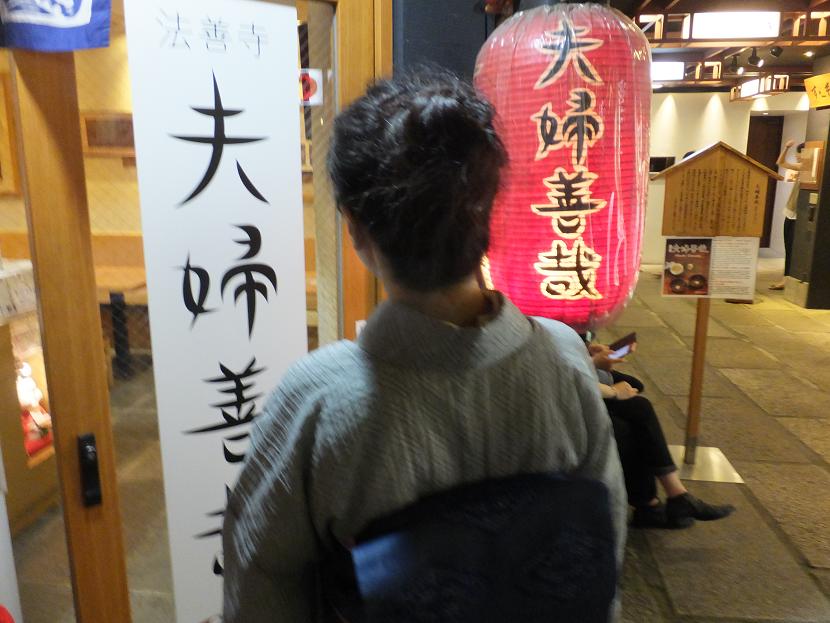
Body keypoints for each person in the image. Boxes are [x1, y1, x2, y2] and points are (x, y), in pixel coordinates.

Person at [222, 70, 627, 622]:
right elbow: (606, 540)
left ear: (356, 228)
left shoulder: (316, 398)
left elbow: (260, 579)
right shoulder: (563, 358)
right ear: (488, 212)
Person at [589, 343, 735, 529]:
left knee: (637, 400)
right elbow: (564, 374)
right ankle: (661, 502)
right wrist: (606, 380)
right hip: (569, 399)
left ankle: (666, 500)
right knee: (630, 423)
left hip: (578, 378)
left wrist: (589, 352)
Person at [770, 140, 806, 291]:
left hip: (800, 215)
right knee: (788, 247)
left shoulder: (810, 168)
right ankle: (786, 279)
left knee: (793, 249)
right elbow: (781, 162)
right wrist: (786, 147)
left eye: (800, 154)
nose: (797, 157)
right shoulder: (802, 167)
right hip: (790, 212)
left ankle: (787, 279)